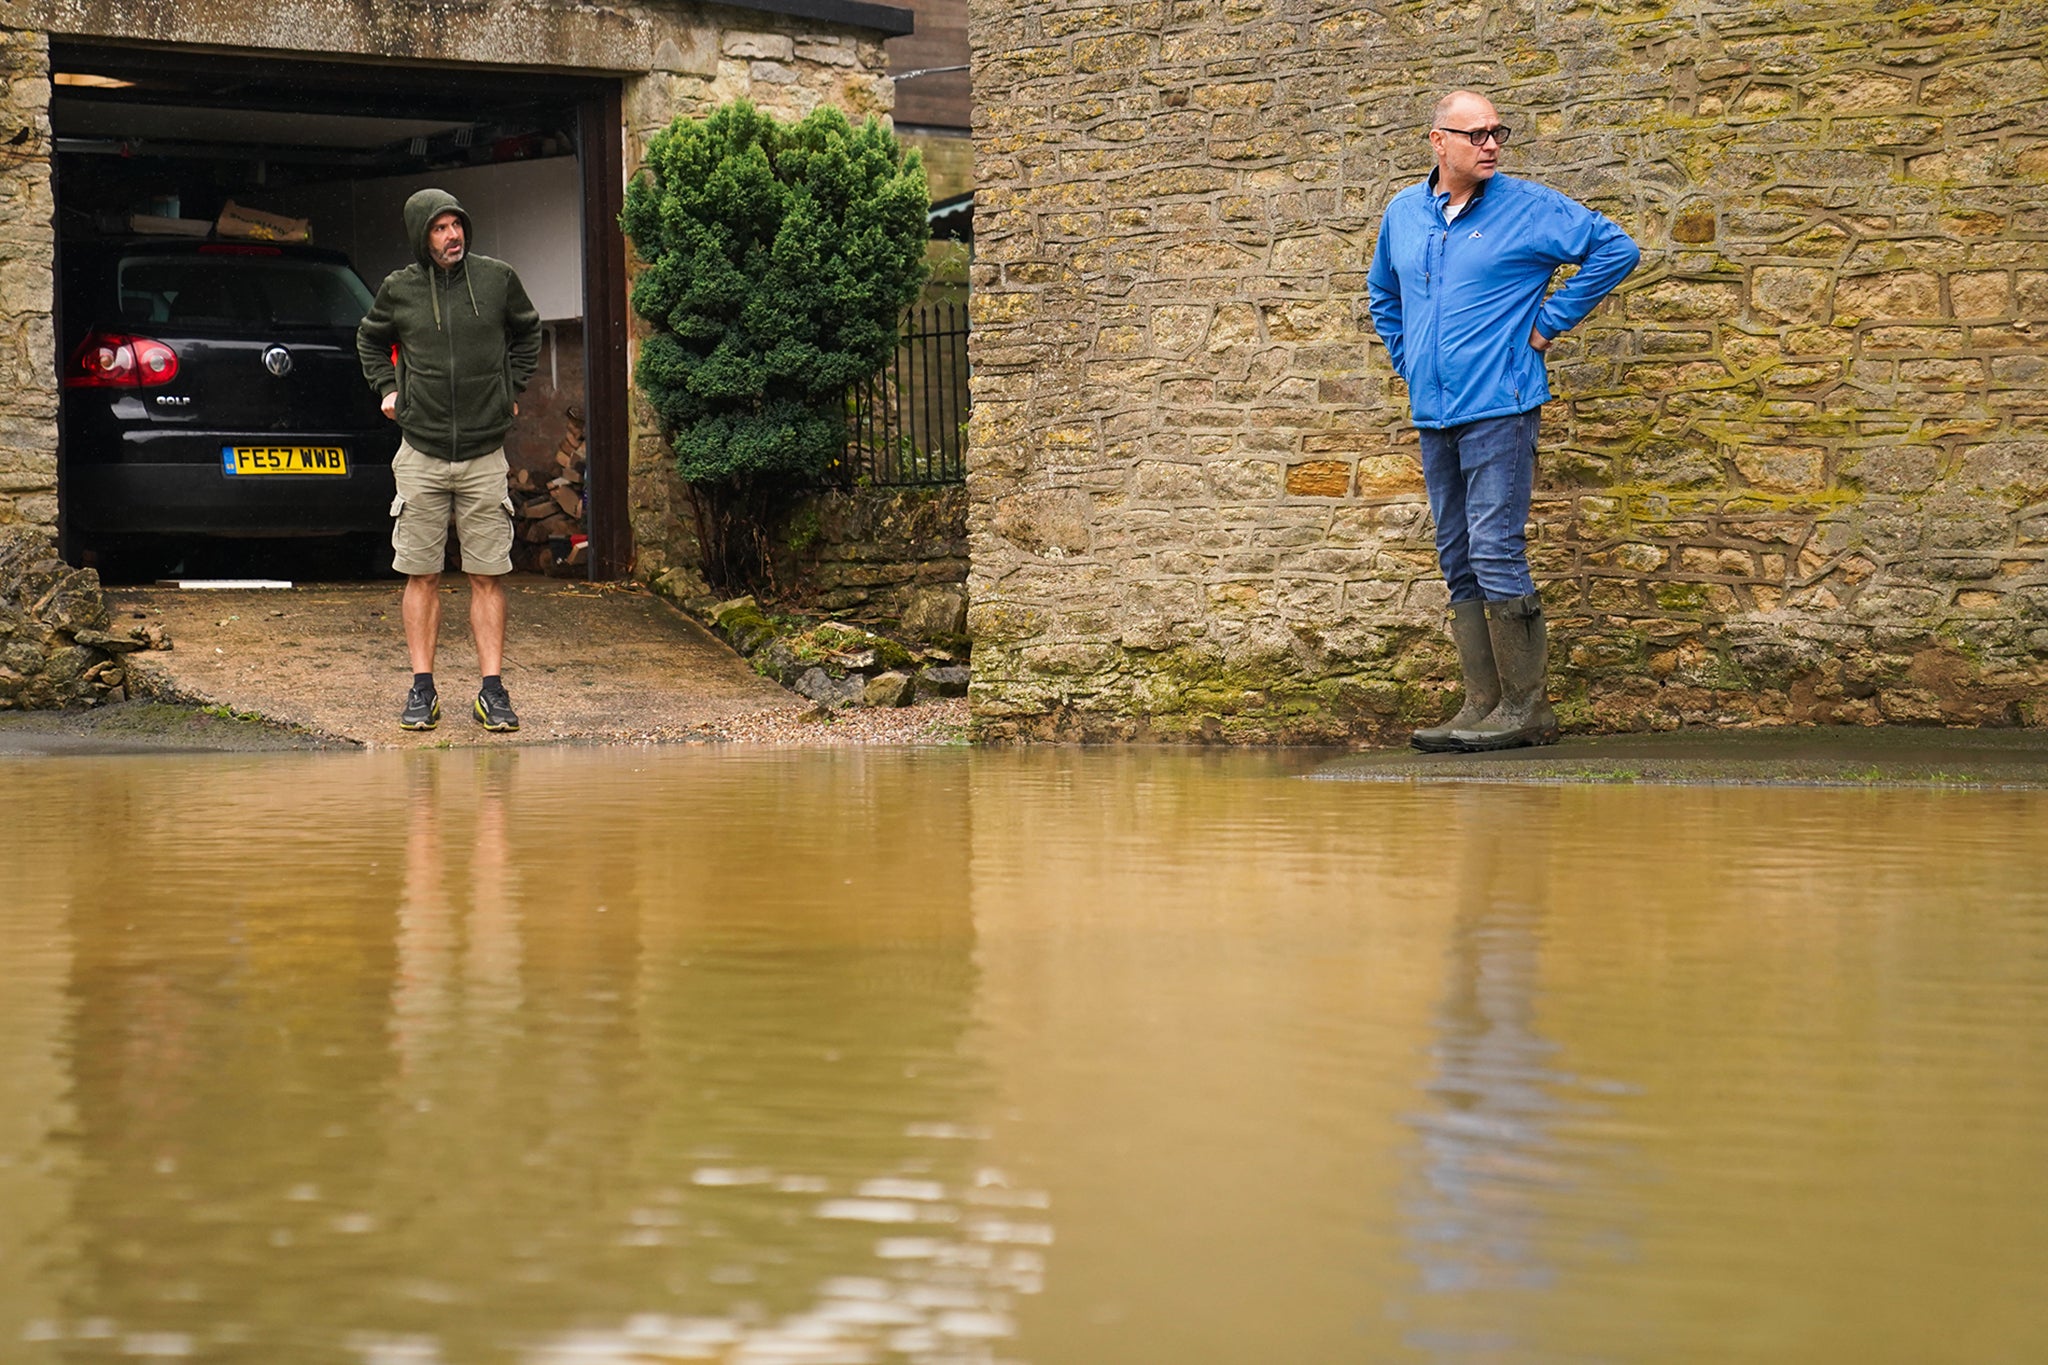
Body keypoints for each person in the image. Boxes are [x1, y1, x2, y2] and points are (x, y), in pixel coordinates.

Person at [1367, 91, 1640, 752]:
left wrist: (1546, 326)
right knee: (1457, 552)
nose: (1491, 144)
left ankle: (1525, 707)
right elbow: (1384, 293)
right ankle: (1481, 703)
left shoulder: (1529, 208)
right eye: (1476, 134)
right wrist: (1412, 362)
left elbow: (1615, 249)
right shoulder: (1404, 213)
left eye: (1498, 133)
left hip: (1502, 406)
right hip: (1435, 412)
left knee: (1494, 546)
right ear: (1438, 141)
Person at [357, 188, 541, 732]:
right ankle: (422, 690)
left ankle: (492, 690)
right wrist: (388, 390)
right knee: (422, 574)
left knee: (488, 575)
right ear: (421, 235)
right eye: (438, 228)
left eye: (456, 225)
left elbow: (528, 330)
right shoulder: (400, 289)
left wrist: (513, 384)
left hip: (485, 452)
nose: (451, 236)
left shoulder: (497, 279)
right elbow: (370, 341)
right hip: (421, 452)